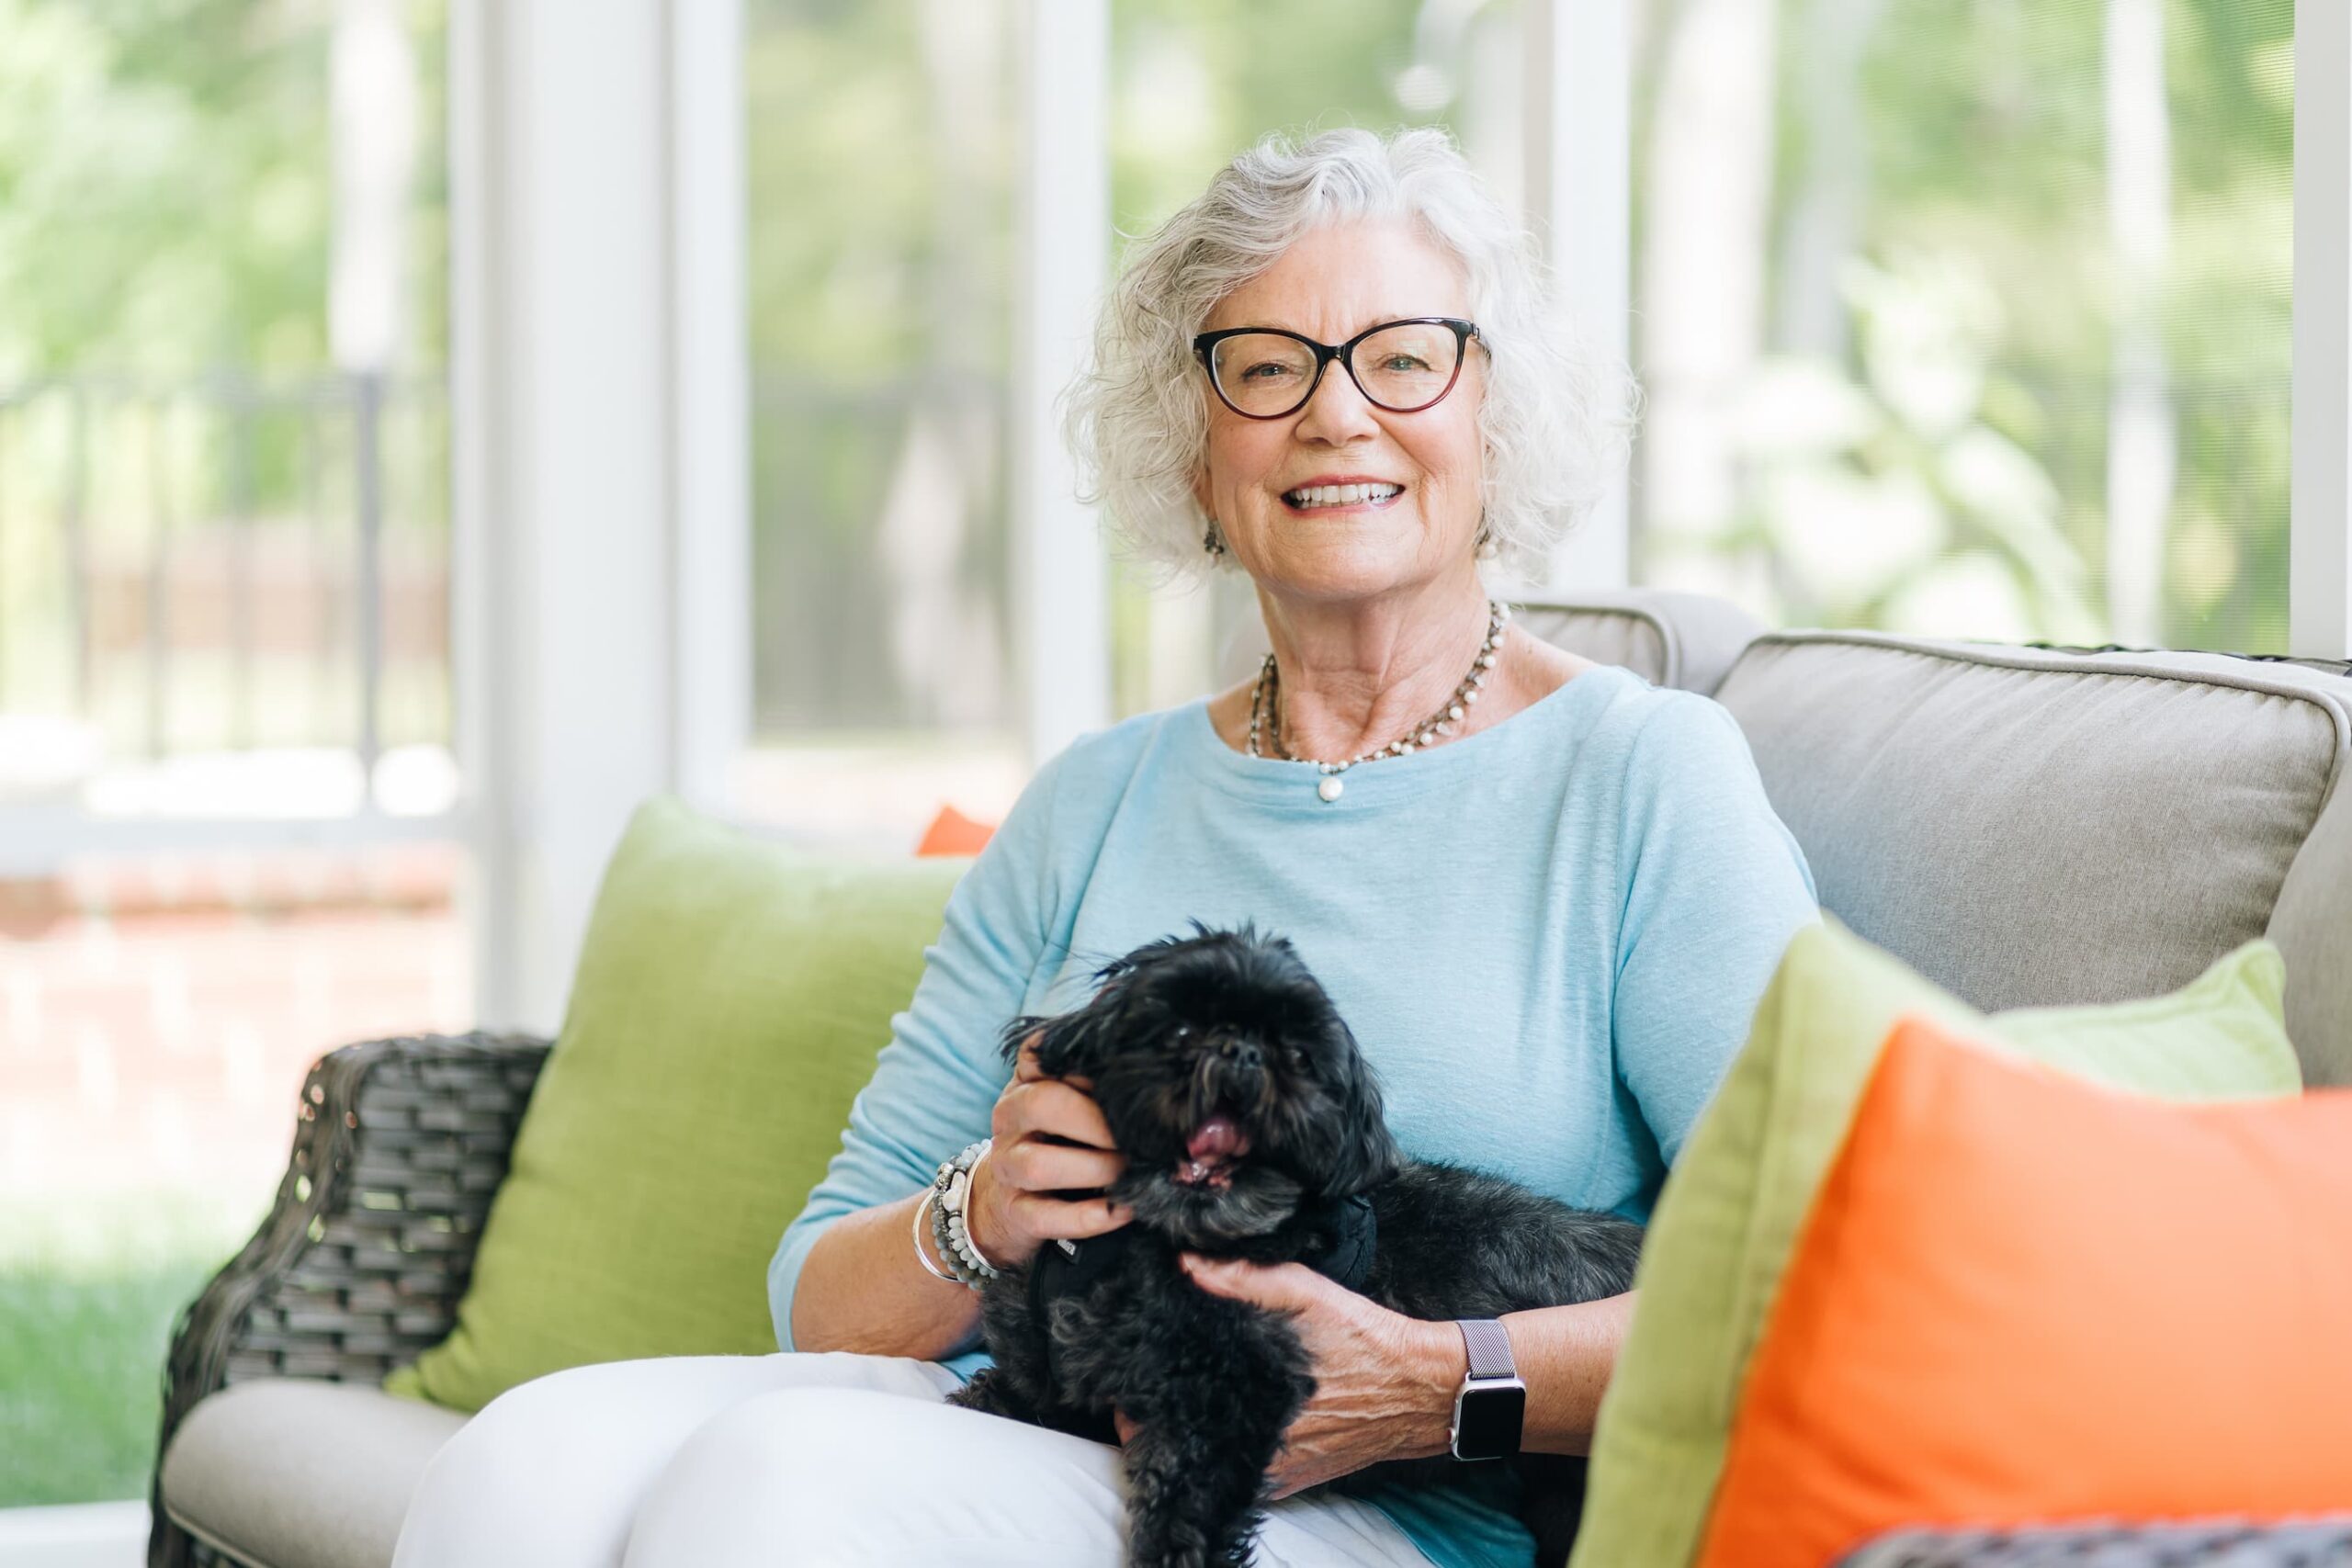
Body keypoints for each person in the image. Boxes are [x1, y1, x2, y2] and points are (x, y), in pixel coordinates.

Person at [390, 124, 1817, 1568]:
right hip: (1030, 1416)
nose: (1336, 416)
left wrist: (1438, 1381)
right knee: (516, 1468)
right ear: (1196, 457)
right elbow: (817, 1296)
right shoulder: (1095, 797)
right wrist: (983, 1213)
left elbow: (1816, 1281)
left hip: (1377, 1505)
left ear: (1494, 418)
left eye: (1404, 357)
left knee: (786, 1478)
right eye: (1266, 366)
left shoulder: (1642, 778)